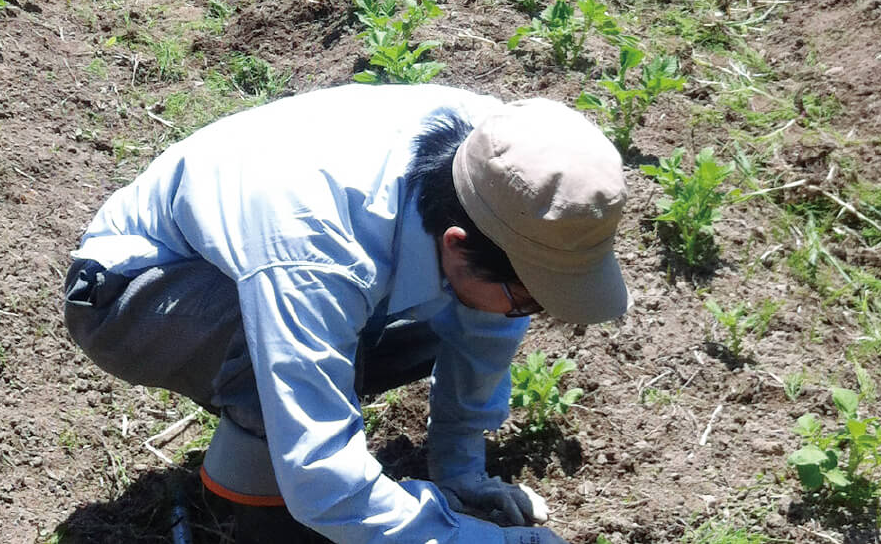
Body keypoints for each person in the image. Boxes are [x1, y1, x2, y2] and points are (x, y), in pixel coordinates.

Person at [63, 83, 629, 544]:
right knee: (291, 388)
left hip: (277, 269)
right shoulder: (316, 253)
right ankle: (261, 516)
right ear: (457, 246)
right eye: (527, 299)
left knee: (462, 309)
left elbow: (486, 329)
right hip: (134, 296)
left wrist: (460, 471)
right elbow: (320, 475)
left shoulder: (505, 170)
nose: (528, 314)